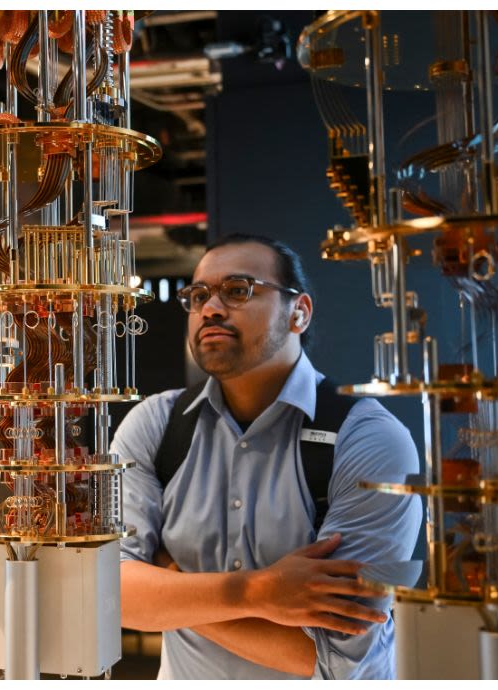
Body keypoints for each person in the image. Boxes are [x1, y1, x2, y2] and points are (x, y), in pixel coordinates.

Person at [113, 233, 422, 679]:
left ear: (299, 311)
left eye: (238, 291)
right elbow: (112, 594)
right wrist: (259, 592)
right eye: (198, 295)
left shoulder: (368, 439)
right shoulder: (156, 424)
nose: (211, 309)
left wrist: (168, 581)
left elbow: (334, 660)